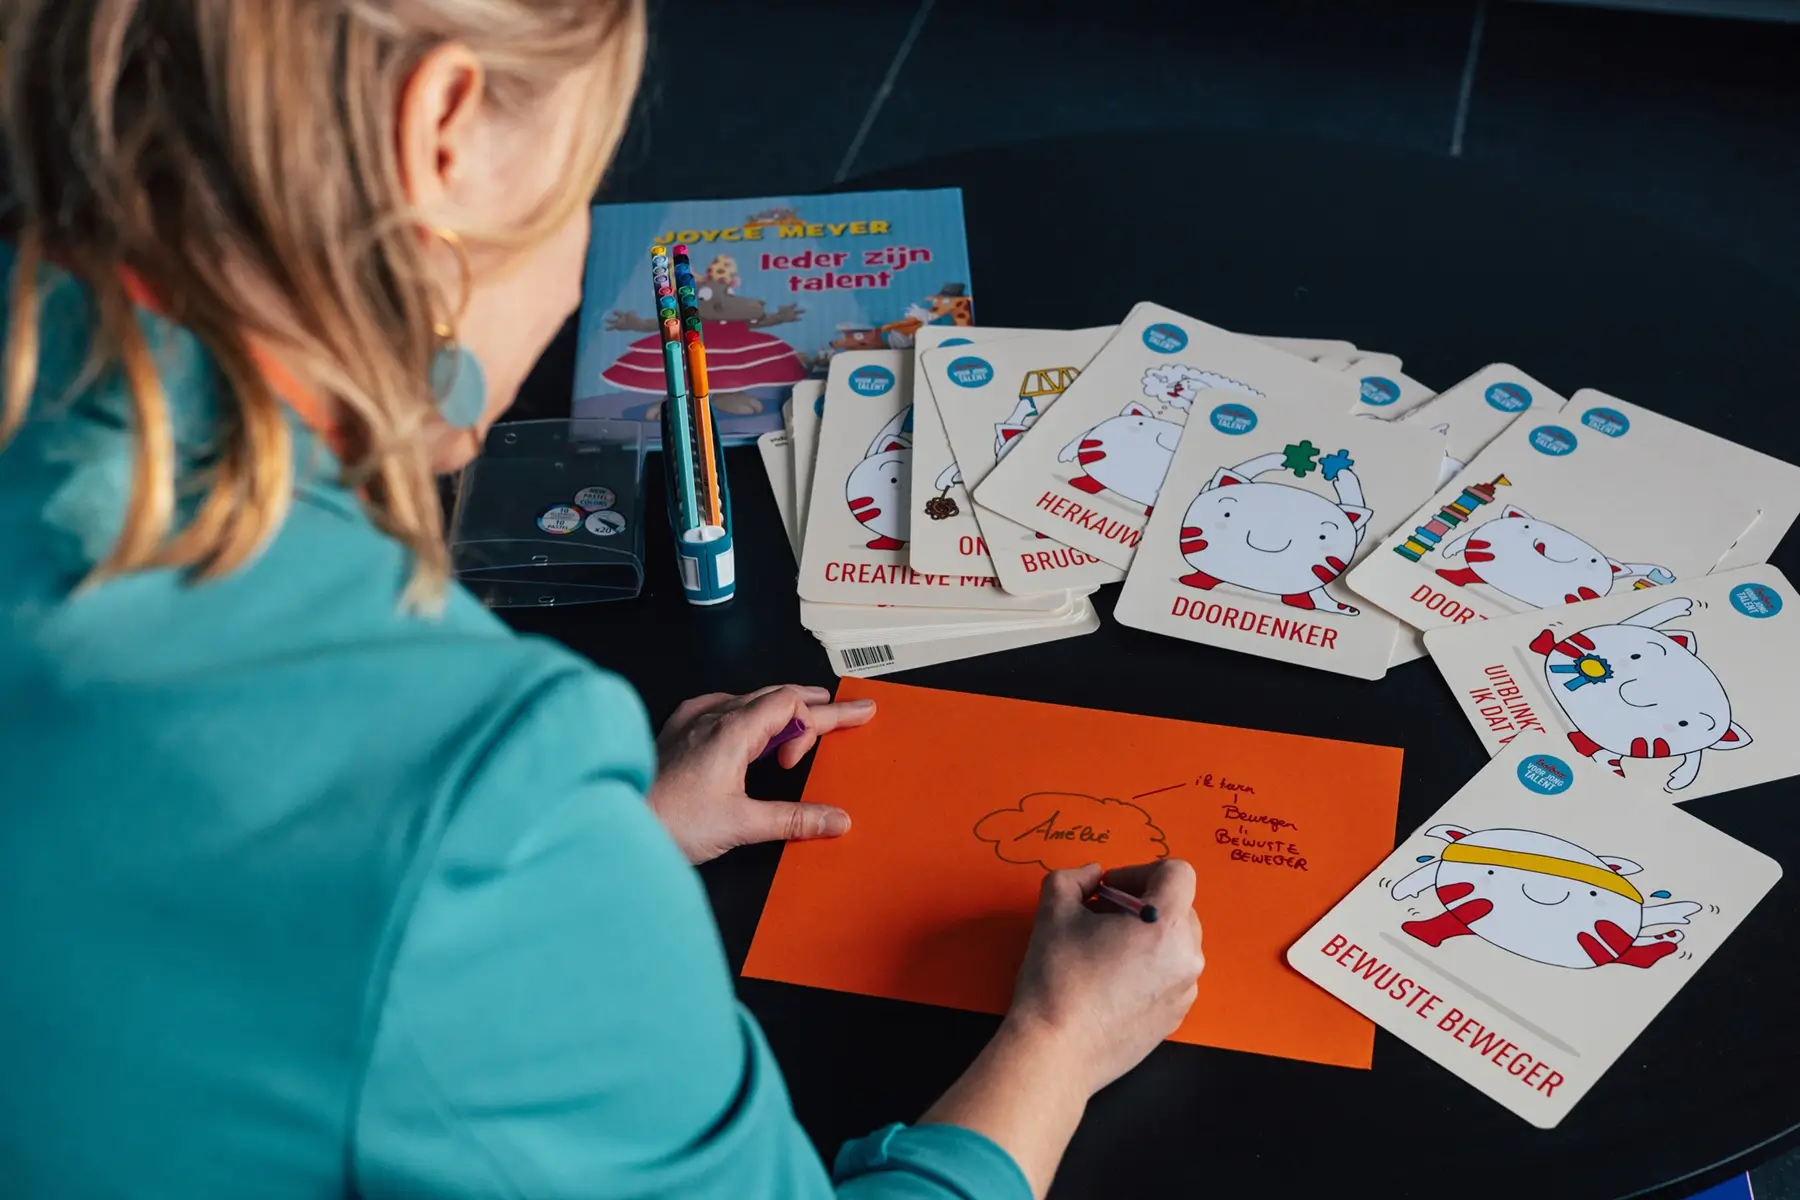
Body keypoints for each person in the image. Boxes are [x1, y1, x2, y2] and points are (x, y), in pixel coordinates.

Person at [0, 2, 1206, 1197]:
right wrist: (1057, 1044)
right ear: (446, 131)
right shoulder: (469, 779)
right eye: (587, 181)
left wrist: (616, 840)